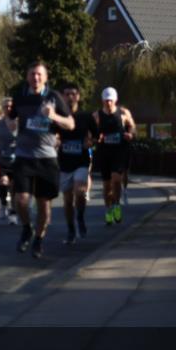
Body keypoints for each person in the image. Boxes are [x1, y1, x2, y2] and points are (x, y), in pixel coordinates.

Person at [8, 62, 75, 259]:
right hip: (24, 156)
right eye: (32, 74)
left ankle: (38, 239)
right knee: (21, 200)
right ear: (27, 76)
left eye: (39, 75)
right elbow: (11, 122)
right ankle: (27, 228)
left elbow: (70, 124)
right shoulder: (20, 97)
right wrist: (9, 122)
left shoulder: (54, 97)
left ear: (45, 77)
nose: (35, 78)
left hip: (47, 158)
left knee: (44, 205)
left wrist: (53, 116)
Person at [57, 83, 97, 244]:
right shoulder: (58, 117)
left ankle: (80, 216)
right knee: (67, 200)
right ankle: (71, 229)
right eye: (67, 94)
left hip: (81, 161)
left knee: (80, 192)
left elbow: (97, 136)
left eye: (73, 94)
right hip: (65, 163)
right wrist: (55, 140)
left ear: (78, 96)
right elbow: (51, 134)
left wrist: (91, 142)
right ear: (62, 97)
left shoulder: (86, 117)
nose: (70, 97)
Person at [93, 87, 136, 225]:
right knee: (106, 185)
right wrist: (95, 138)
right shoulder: (97, 115)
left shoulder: (123, 112)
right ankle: (108, 209)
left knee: (116, 179)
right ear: (102, 100)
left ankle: (116, 204)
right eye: (106, 100)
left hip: (120, 150)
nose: (108, 103)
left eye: (111, 100)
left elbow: (132, 126)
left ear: (115, 100)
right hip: (104, 152)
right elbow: (91, 133)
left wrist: (131, 134)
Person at [0, 97, 19, 225]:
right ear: (2, 108)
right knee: (3, 183)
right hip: (1, 159)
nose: (8, 108)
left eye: (10, 106)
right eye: (6, 106)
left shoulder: (20, 122)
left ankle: (13, 212)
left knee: (14, 188)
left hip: (17, 160)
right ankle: (3, 204)